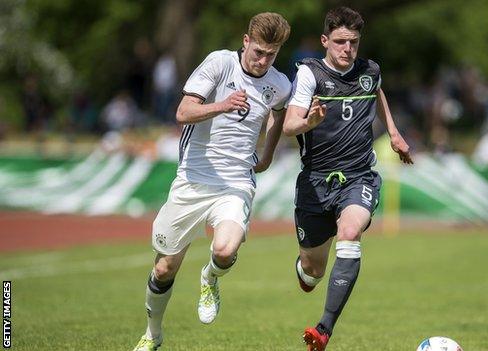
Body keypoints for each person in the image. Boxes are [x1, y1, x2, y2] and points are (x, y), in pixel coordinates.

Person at [132, 12, 291, 351]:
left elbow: (279, 113)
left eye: (271, 54)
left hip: (235, 184)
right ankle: (153, 334)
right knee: (163, 269)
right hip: (192, 180)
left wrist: (268, 153)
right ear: (246, 41)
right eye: (259, 51)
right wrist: (222, 105)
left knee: (225, 249)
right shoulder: (219, 63)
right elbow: (183, 112)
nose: (263, 60)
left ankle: (210, 277)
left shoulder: (278, 84)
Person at [283, 7, 412, 351]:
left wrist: (395, 134)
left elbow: (377, 91)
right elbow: (288, 124)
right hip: (315, 182)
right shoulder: (310, 75)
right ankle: (305, 268)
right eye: (340, 41)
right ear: (325, 41)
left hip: (358, 176)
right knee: (312, 273)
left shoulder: (369, 71)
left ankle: (323, 329)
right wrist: (308, 122)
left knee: (351, 231)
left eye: (353, 42)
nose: (347, 49)